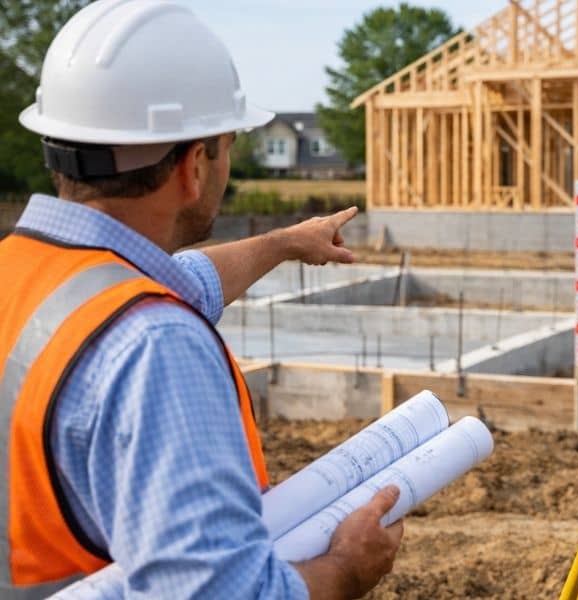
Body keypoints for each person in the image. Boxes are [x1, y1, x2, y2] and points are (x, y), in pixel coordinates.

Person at [0, 1, 402, 598]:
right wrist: (348, 566)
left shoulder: (29, 271)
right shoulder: (154, 345)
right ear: (193, 166)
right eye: (227, 144)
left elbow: (174, 281)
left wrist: (282, 243)